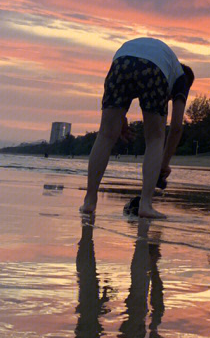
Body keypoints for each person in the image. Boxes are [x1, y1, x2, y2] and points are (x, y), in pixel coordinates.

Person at [80, 37, 194, 219]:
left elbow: (119, 101)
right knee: (155, 138)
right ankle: (145, 205)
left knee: (105, 135)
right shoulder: (180, 78)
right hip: (153, 70)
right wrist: (163, 164)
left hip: (121, 62)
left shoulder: (167, 61)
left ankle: (89, 201)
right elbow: (176, 128)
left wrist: (121, 123)